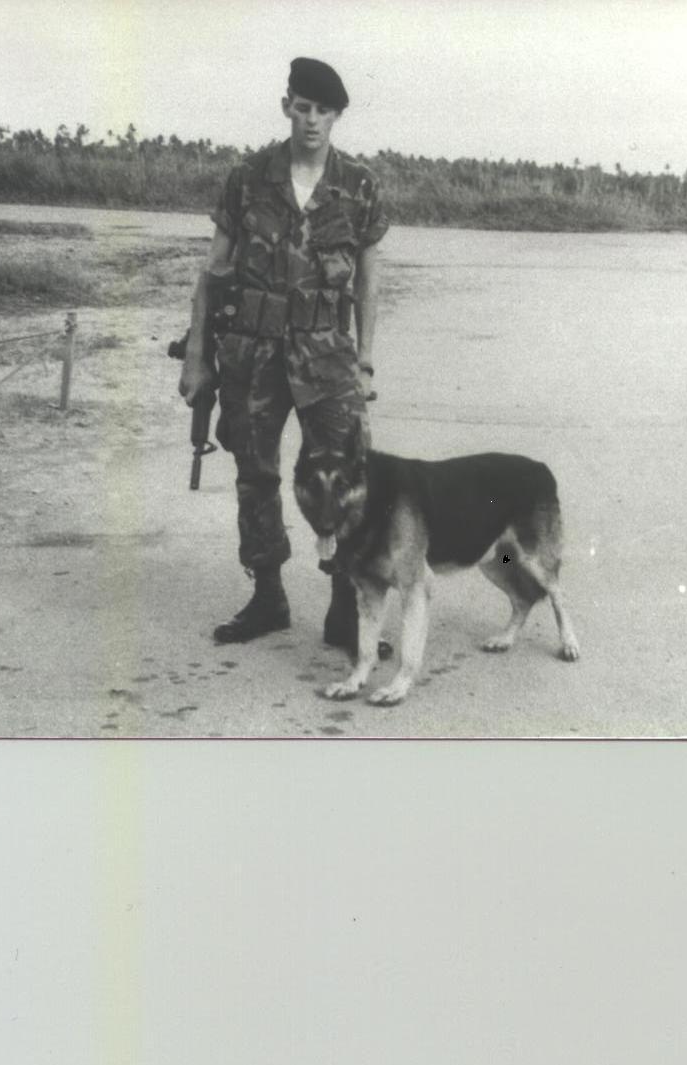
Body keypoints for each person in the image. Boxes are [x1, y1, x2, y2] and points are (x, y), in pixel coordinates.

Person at [179, 57, 387, 648]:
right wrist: (197, 356)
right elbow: (212, 273)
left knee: (345, 476)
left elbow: (369, 282)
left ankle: (344, 611)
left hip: (328, 359)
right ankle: (267, 597)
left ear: (337, 116)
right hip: (253, 357)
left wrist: (365, 361)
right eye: (303, 108)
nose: (312, 120)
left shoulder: (360, 186)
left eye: (324, 111)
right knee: (256, 475)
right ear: (286, 107)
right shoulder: (248, 179)